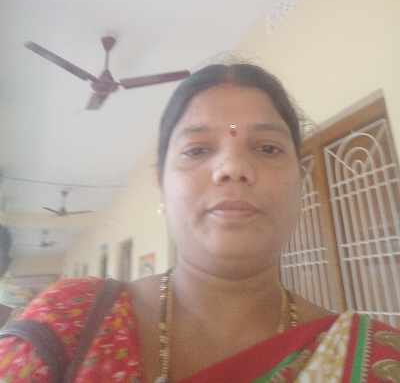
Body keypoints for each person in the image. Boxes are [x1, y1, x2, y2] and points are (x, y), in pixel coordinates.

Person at [0, 62, 399, 382]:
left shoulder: (376, 360)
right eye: (197, 150)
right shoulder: (67, 322)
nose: (232, 168)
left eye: (267, 148)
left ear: (301, 181)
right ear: (161, 184)